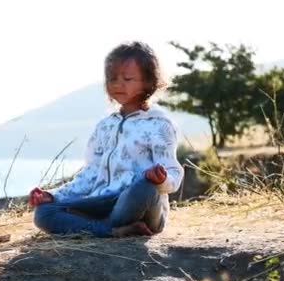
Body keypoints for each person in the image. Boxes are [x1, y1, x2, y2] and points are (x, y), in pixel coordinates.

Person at [29, 41, 184, 237]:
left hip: (137, 204)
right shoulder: (104, 126)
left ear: (148, 82)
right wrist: (52, 195)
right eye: (112, 78)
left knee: (144, 187)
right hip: (102, 203)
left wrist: (161, 179)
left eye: (127, 79)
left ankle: (96, 226)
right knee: (44, 213)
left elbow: (174, 176)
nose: (117, 84)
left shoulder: (159, 124)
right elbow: (90, 174)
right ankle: (112, 231)